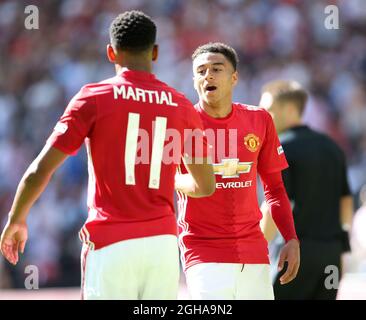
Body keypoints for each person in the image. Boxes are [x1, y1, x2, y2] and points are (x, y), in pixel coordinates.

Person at [0, 10, 215, 300]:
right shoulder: (182, 105)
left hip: (111, 241)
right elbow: (205, 186)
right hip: (163, 246)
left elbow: (41, 169)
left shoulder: (93, 97)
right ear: (155, 52)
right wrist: (168, 178)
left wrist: (17, 219)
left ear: (111, 53)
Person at [174, 42, 300, 300]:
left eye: (216, 69)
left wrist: (291, 238)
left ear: (234, 78)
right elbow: (160, 181)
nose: (207, 75)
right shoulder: (180, 123)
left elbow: (275, 189)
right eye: (200, 71)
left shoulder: (259, 120)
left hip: (254, 253)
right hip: (203, 253)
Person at [259, 80, 353, 300]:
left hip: (294, 255)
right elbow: (346, 203)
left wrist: (255, 249)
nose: (263, 117)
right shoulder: (332, 147)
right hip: (331, 257)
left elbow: (274, 203)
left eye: (268, 111)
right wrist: (340, 245)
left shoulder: (281, 147)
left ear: (290, 110)